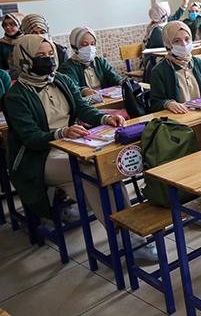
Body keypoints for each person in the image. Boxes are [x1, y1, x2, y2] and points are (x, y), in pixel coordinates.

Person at [2, 35, 156, 259]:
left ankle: (127, 231)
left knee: (104, 173)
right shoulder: (15, 96)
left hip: (72, 146)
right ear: (24, 59)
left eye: (50, 54)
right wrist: (61, 133)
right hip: (38, 157)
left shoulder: (61, 80)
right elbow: (30, 137)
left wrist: (105, 118)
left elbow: (83, 108)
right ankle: (127, 238)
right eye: (40, 55)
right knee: (93, 171)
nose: (48, 59)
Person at [149, 21, 201, 113]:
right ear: (168, 44)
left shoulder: (200, 64)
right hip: (178, 117)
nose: (184, 44)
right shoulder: (159, 71)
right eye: (177, 41)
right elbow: (155, 102)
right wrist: (167, 104)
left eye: (187, 39)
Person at [58, 27, 124, 98]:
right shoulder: (67, 67)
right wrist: (84, 91)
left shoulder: (100, 61)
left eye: (92, 44)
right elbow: (72, 88)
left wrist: (121, 81)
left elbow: (113, 77)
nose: (90, 48)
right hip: (86, 102)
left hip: (106, 100)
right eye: (84, 44)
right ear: (74, 46)